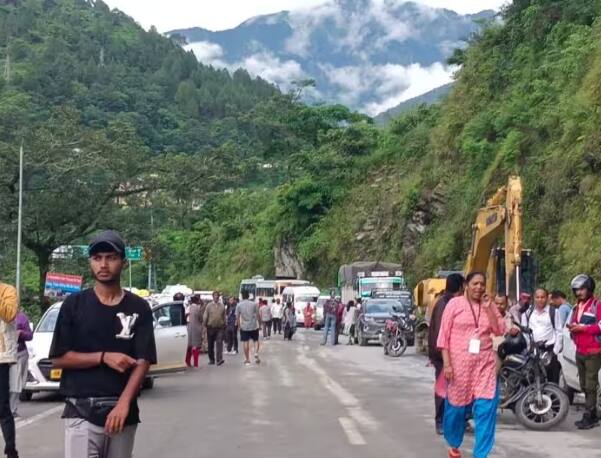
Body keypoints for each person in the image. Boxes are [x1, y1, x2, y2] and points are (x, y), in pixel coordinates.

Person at [50, 230, 157, 458]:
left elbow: (143, 360)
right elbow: (58, 357)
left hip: (122, 414)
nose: (104, 264)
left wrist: (124, 404)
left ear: (123, 263)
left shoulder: (139, 308)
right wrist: (103, 356)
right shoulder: (73, 305)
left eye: (111, 257)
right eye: (97, 258)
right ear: (91, 263)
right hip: (81, 411)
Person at [437, 272, 504, 458]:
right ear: (466, 285)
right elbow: (444, 336)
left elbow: (499, 330)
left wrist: (489, 307)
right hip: (459, 367)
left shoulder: (488, 305)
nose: (479, 287)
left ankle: (481, 454)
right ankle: (453, 443)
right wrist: (447, 365)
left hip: (484, 365)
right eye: (475, 283)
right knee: (456, 410)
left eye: (482, 284)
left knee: (486, 408)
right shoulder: (454, 305)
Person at [428, 273, 464, 435]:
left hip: (453, 354)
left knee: (456, 389)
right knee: (443, 388)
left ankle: (455, 420)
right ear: (461, 287)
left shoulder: (450, 302)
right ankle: (440, 421)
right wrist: (445, 356)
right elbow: (442, 333)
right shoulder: (445, 304)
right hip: (444, 355)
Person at [567, 274, 601, 430]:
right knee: (583, 385)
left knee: (590, 385)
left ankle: (590, 415)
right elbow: (575, 324)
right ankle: (592, 411)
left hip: (593, 351)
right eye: (576, 290)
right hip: (579, 350)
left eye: (581, 289)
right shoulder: (576, 307)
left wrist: (584, 328)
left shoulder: (597, 305)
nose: (578, 292)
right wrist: (573, 329)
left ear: (589, 289)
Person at [518, 288, 562, 384]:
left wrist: (555, 351)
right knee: (533, 380)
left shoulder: (554, 312)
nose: (540, 299)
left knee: (552, 381)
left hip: (549, 351)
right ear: (534, 298)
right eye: (537, 297)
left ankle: (552, 398)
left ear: (547, 298)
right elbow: (525, 331)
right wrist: (529, 347)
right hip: (533, 352)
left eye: (542, 297)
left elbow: (559, 332)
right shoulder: (527, 312)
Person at [0, 281, 19, 458]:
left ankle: (11, 450)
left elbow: (10, 314)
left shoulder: (7, 291)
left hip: (1, 357)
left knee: (2, 407)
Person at [9, 310, 32, 418]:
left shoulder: (21, 317)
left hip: (19, 354)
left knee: (16, 383)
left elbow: (30, 335)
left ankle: (12, 409)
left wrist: (20, 333)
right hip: (4, 355)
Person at [236, 290, 261, 365]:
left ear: (242, 296)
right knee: (256, 340)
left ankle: (247, 359)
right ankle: (256, 352)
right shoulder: (254, 304)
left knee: (245, 342)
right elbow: (258, 315)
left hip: (244, 326)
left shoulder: (239, 305)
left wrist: (239, 326)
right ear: (248, 296)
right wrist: (259, 324)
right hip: (253, 325)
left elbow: (237, 317)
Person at [203, 292, 226, 366]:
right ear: (212, 297)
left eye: (217, 296)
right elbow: (205, 316)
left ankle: (219, 359)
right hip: (210, 328)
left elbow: (224, 316)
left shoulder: (222, 306)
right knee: (210, 344)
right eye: (215, 296)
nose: (216, 297)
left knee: (219, 343)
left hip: (219, 328)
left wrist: (224, 324)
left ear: (219, 297)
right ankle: (211, 359)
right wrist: (204, 325)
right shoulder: (209, 306)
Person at [185, 295, 203, 368]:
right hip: (196, 328)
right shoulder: (197, 308)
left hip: (188, 328)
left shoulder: (188, 308)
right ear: (197, 300)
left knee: (189, 346)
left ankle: (187, 361)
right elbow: (201, 318)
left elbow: (185, 317)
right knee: (196, 346)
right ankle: (195, 363)